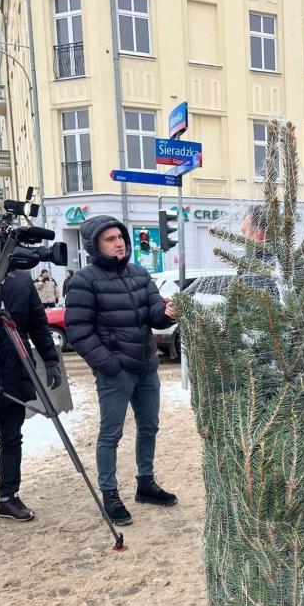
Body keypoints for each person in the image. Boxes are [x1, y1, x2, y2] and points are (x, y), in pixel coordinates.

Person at [65, 217, 178, 526]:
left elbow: (154, 314)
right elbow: (79, 331)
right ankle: (110, 493)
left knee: (149, 427)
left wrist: (167, 312)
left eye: (121, 237)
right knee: (110, 434)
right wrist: (109, 365)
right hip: (116, 372)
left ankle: (146, 483)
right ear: (94, 246)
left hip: (147, 367)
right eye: (110, 239)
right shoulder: (84, 280)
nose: (119, 243)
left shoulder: (139, 273)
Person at [0, 269, 62, 521]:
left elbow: (38, 325)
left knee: (11, 438)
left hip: (14, 370)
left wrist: (51, 360)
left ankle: (7, 497)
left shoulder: (20, 279)